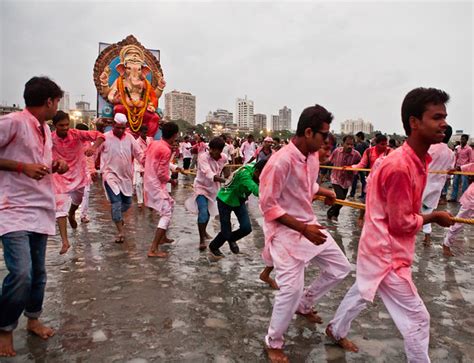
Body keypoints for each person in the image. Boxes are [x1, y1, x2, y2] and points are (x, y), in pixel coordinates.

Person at [326, 87, 455, 362]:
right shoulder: (400, 166)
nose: (444, 123)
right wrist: (433, 217)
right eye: (436, 117)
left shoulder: (418, 160)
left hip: (376, 246)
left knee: (361, 291)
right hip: (387, 253)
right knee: (418, 319)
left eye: (444, 116)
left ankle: (335, 329)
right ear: (414, 122)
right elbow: (400, 224)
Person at [259, 105, 351, 363]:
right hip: (285, 232)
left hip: (308, 225)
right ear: (309, 132)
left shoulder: (311, 157)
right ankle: (273, 342)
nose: (326, 142)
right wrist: (303, 229)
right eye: (323, 136)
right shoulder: (279, 162)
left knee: (340, 267)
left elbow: (305, 186)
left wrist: (324, 191)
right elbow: (268, 206)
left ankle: (305, 304)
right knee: (290, 288)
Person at [0, 76, 68, 357]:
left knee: (38, 273)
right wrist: (21, 167)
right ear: (49, 101)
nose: (57, 109)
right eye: (57, 103)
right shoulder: (13, 121)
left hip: (40, 208)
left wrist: (56, 164)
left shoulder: (44, 129)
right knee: (22, 273)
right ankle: (4, 329)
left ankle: (33, 318)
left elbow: (41, 160)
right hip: (12, 208)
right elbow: (24, 163)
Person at [51, 111, 105, 254]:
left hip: (78, 176)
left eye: (66, 125)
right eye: (61, 125)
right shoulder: (50, 139)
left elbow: (100, 136)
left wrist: (93, 148)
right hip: (60, 177)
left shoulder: (77, 133)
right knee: (59, 208)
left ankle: (72, 213)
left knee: (78, 201)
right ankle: (65, 242)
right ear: (54, 125)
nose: (64, 128)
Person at [98, 113, 144, 243]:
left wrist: (147, 164)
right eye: (118, 128)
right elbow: (93, 152)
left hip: (126, 177)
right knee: (116, 203)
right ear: (113, 125)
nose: (120, 130)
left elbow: (139, 153)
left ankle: (116, 215)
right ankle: (120, 232)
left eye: (123, 128)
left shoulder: (129, 138)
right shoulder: (104, 138)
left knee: (127, 204)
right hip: (109, 175)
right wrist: (90, 170)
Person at [208, 160, 267, 260]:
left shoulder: (257, 166)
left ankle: (232, 239)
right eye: (263, 176)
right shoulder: (245, 175)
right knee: (225, 231)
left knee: (246, 228)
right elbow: (257, 191)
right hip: (225, 199)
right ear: (257, 171)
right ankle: (213, 246)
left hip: (239, 199)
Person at [144, 122, 183, 258]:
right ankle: (153, 249)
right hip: (155, 184)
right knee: (166, 212)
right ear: (175, 135)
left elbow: (150, 161)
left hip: (149, 181)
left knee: (170, 205)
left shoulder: (154, 144)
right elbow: (162, 174)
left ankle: (163, 237)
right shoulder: (165, 150)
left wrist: (173, 168)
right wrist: (172, 180)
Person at [185, 137, 227, 250]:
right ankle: (201, 240)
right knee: (203, 211)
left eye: (215, 150)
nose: (212, 152)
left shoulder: (224, 158)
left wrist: (229, 177)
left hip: (213, 189)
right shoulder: (203, 157)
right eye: (211, 149)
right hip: (201, 187)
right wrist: (225, 181)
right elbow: (209, 173)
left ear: (221, 150)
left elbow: (225, 169)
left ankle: (204, 231)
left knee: (208, 213)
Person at [420, 125, 455, 246]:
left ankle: (405, 233)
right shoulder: (451, 153)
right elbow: (450, 171)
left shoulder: (431, 147)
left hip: (423, 182)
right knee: (427, 211)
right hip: (437, 186)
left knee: (412, 208)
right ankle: (427, 236)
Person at [327, 135, 361, 221]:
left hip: (347, 180)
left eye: (352, 144)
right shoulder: (337, 151)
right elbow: (329, 160)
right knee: (340, 197)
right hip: (336, 178)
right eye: (347, 144)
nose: (350, 146)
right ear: (343, 144)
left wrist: (353, 168)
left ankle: (334, 217)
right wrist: (319, 162)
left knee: (341, 201)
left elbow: (360, 165)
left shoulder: (356, 155)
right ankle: (330, 213)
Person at [443, 162, 473, 256]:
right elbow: (464, 167)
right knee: (458, 223)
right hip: (471, 199)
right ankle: (446, 244)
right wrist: (455, 170)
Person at [74, 123, 99, 224]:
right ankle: (66, 213)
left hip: (86, 173)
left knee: (85, 194)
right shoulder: (69, 142)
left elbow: (91, 158)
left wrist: (92, 171)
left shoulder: (90, 145)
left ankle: (83, 215)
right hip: (72, 172)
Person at [133, 126, 152, 209]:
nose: (145, 134)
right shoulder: (136, 142)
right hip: (138, 164)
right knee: (138, 184)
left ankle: (149, 201)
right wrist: (141, 169)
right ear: (139, 133)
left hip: (149, 164)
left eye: (146, 132)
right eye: (143, 132)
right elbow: (137, 156)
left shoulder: (150, 140)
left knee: (149, 184)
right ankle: (140, 201)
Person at [449, 134, 472, 201]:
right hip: (457, 168)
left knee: (464, 185)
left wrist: (468, 170)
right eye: (461, 139)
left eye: (463, 139)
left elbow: (470, 160)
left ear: (466, 140)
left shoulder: (469, 149)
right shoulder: (458, 148)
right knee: (455, 183)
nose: (462, 140)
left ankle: (464, 199)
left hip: (464, 169)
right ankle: (453, 198)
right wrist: (454, 166)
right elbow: (456, 158)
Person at [349, 131, 369, 199]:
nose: (356, 139)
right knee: (364, 181)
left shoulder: (360, 145)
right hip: (365, 165)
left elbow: (357, 155)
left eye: (357, 137)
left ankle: (352, 194)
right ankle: (363, 194)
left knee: (355, 179)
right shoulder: (367, 144)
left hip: (358, 165)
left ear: (359, 137)